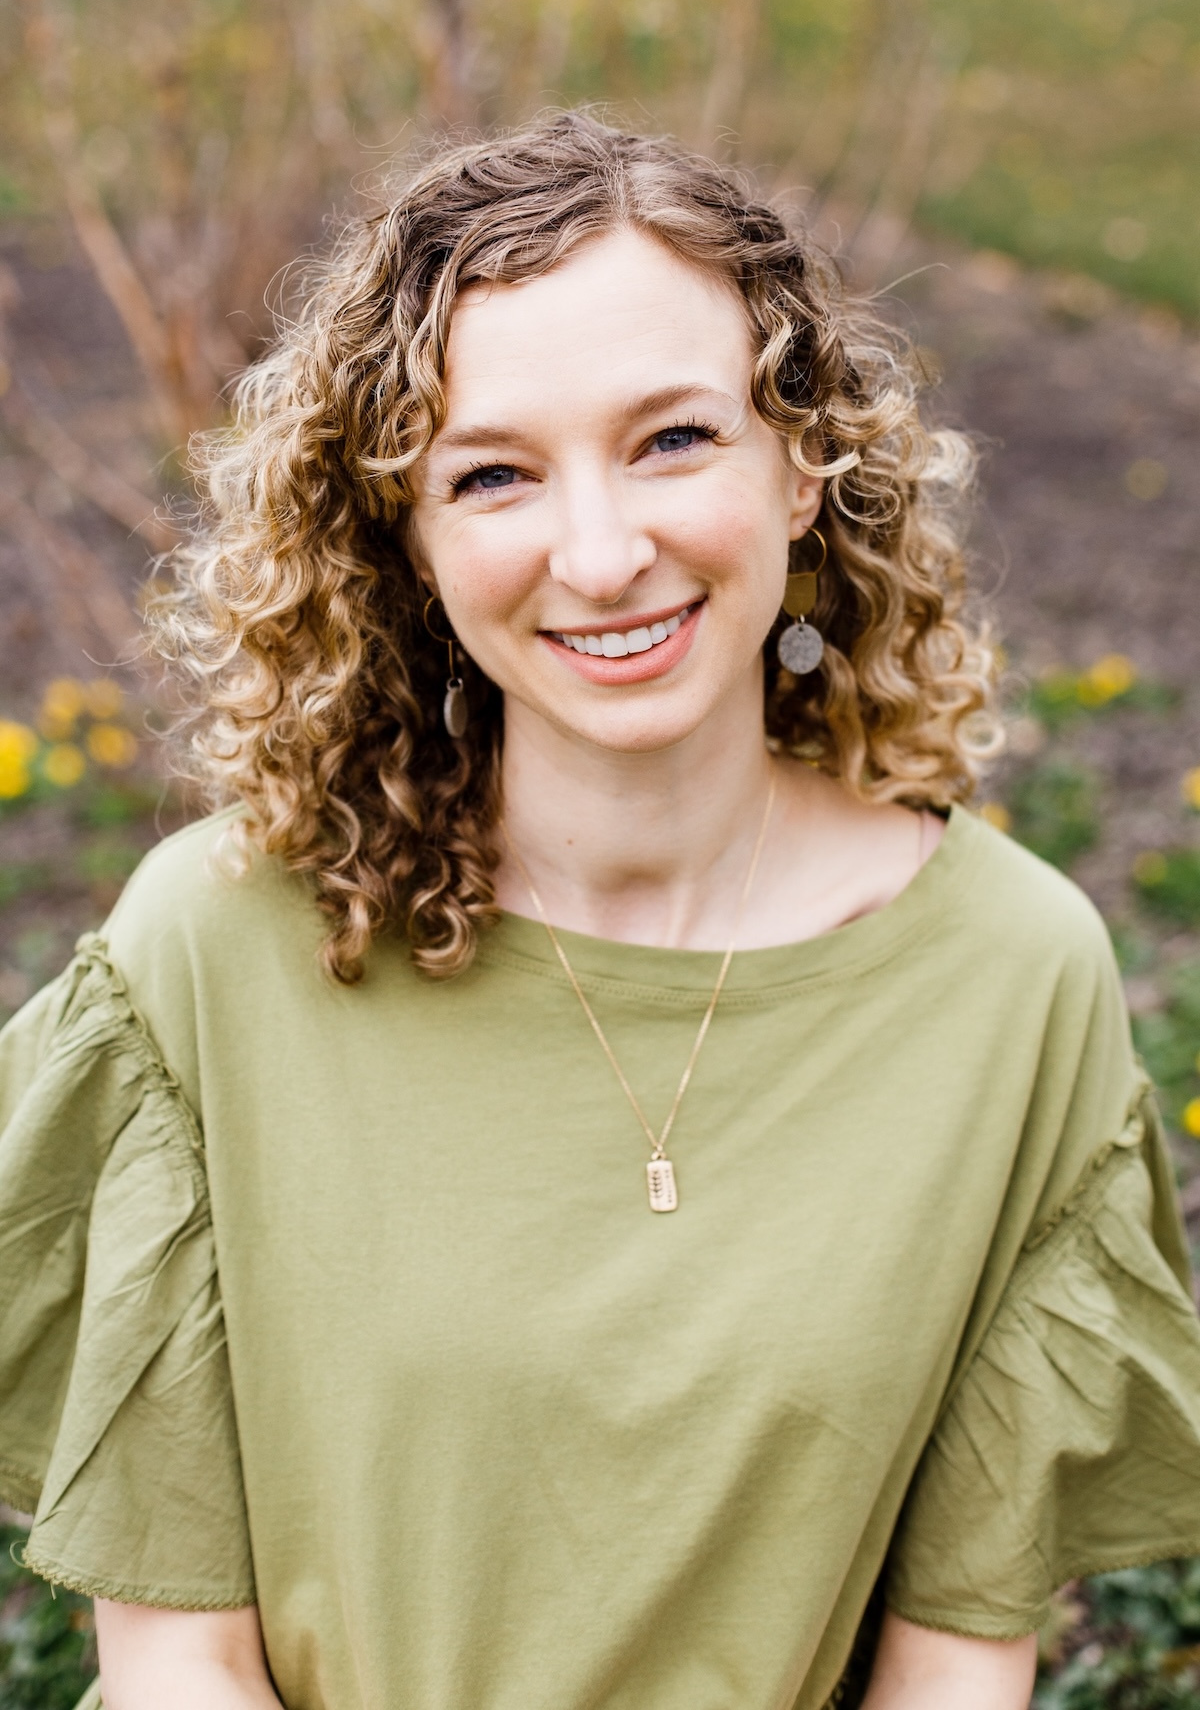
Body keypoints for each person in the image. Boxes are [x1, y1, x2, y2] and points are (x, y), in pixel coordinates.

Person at [2, 112, 1199, 1710]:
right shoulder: (211, 956)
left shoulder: (1008, 979)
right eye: (492, 473)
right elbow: (175, 1668)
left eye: (674, 439)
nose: (602, 550)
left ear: (804, 466)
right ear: (406, 544)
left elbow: (959, 1666)